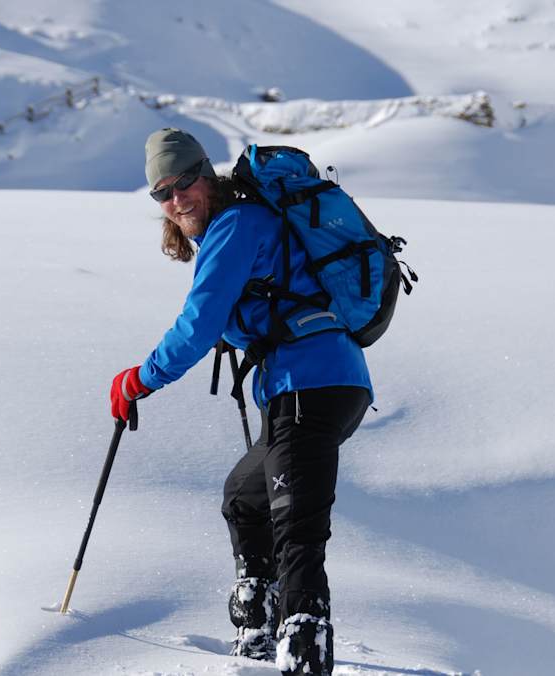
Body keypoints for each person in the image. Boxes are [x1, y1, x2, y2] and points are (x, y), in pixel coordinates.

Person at [109, 128, 372, 676]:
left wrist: (141, 379)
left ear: (208, 176)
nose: (177, 197)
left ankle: (304, 648)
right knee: (245, 498)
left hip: (310, 381)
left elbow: (198, 323)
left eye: (185, 182)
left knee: (295, 522)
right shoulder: (240, 228)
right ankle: (257, 625)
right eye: (163, 191)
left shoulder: (237, 223)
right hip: (317, 383)